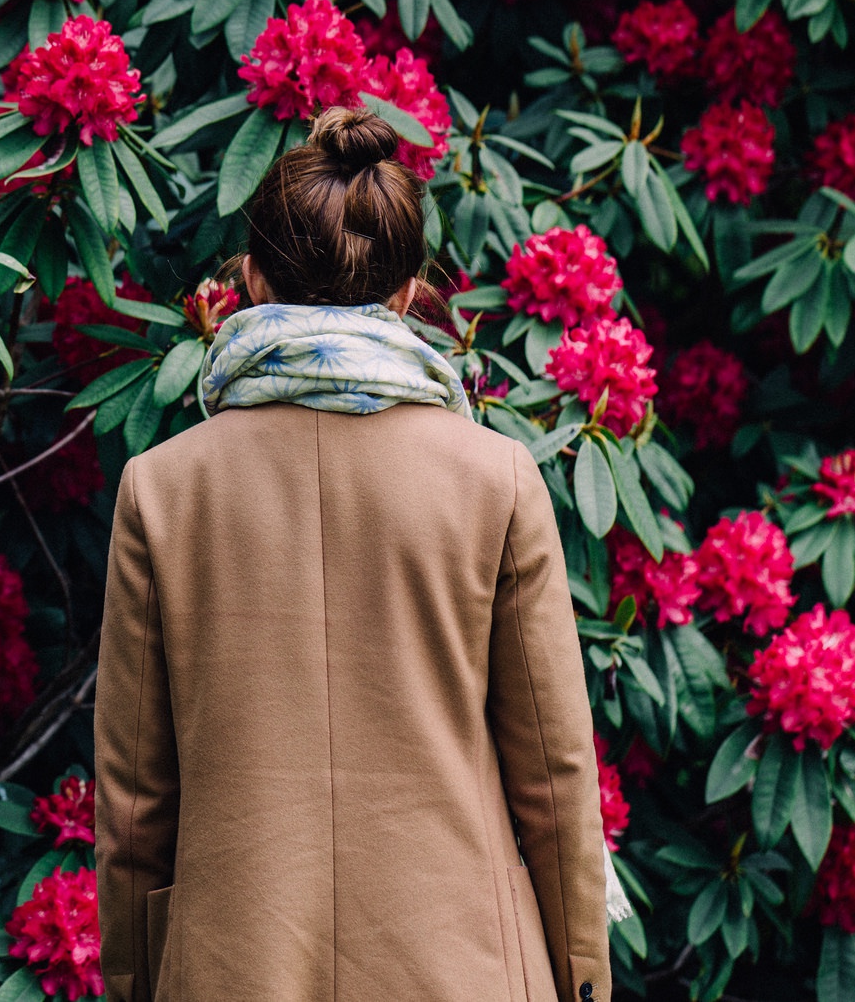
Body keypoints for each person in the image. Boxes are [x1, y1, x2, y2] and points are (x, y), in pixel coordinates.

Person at [95, 107, 615, 1002]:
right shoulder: (498, 480)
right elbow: (556, 780)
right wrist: (582, 983)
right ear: (413, 294)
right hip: (466, 971)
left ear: (251, 278)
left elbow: (135, 801)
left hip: (233, 967)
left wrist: (140, 980)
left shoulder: (162, 487)